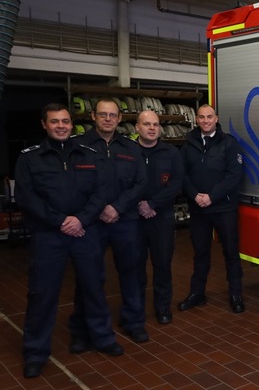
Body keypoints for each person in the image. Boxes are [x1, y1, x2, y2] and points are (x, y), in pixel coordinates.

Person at [15, 104, 123, 378]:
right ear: (44, 125)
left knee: (94, 288)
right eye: (54, 121)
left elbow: (101, 192)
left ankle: (102, 338)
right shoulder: (30, 158)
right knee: (42, 295)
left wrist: (81, 220)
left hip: (85, 232)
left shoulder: (89, 154)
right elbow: (27, 198)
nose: (61, 126)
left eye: (65, 121)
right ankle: (35, 352)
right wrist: (60, 221)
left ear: (72, 123)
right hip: (49, 235)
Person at [70, 98, 148, 347]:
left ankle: (133, 321)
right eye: (102, 114)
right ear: (93, 116)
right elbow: (73, 186)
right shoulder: (78, 146)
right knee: (89, 276)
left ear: (119, 118)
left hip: (125, 221)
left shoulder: (130, 147)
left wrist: (117, 207)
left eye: (112, 115)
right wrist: (97, 209)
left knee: (131, 273)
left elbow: (141, 183)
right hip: (91, 223)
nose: (107, 119)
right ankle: (82, 330)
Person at [178, 104, 245, 314]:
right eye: (201, 117)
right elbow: (182, 174)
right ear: (196, 119)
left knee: (231, 253)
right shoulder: (188, 144)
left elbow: (234, 175)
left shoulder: (229, 144)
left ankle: (236, 295)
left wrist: (212, 196)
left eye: (209, 117)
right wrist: (195, 195)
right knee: (200, 253)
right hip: (198, 209)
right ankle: (197, 293)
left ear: (216, 118)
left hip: (223, 208)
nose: (205, 121)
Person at [135, 111, 184, 324]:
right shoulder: (128, 152)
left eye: (155, 124)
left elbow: (176, 183)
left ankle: (163, 308)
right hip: (133, 217)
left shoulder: (171, 153)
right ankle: (135, 309)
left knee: (162, 265)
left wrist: (152, 204)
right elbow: (121, 183)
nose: (152, 128)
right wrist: (139, 205)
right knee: (134, 266)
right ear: (137, 127)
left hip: (162, 216)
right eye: (147, 124)